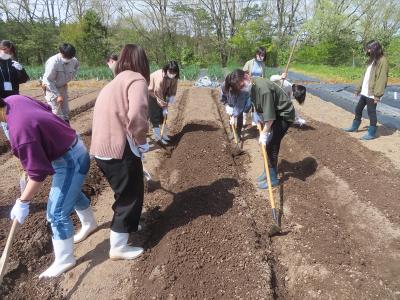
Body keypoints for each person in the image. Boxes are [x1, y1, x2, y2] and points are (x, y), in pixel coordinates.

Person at [0, 94, 95, 278]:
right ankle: (89, 223)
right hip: (72, 145)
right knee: (70, 194)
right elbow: (46, 110)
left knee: (56, 213)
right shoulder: (14, 99)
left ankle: (65, 259)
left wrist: (22, 202)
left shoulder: (20, 130)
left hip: (70, 161)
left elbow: (38, 175)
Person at [90, 44, 150, 260]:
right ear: (142, 61)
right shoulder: (136, 79)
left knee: (123, 191)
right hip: (119, 148)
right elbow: (138, 113)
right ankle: (118, 246)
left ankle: (127, 227)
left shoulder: (114, 82)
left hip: (101, 149)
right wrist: (142, 141)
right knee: (130, 195)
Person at [249, 74, 306, 189]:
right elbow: (272, 80)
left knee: (271, 145)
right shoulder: (257, 85)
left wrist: (264, 133)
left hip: (284, 117)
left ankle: (273, 179)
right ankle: (267, 173)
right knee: (270, 145)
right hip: (277, 113)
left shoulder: (262, 86)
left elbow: (287, 107)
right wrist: (255, 113)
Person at [343, 40, 389, 140]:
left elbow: (382, 79)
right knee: (358, 109)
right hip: (365, 91)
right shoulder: (372, 59)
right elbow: (365, 76)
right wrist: (358, 89)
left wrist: (377, 95)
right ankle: (354, 127)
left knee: (371, 112)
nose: (368, 51)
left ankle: (371, 133)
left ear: (375, 48)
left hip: (372, 93)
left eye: (369, 49)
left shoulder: (382, 61)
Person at [42, 43, 79, 123]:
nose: (69, 58)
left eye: (70, 57)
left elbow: (75, 69)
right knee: (56, 113)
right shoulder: (53, 62)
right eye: (67, 56)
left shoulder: (74, 61)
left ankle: (67, 130)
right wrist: (57, 95)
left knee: (65, 111)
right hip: (51, 88)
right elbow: (49, 80)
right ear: (61, 53)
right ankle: (58, 132)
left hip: (63, 87)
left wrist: (67, 80)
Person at [0, 40, 29, 139]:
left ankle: (18, 140)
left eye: (9, 52)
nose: (7, 53)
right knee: (6, 124)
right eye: (4, 50)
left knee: (16, 121)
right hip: (1, 100)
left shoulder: (12, 63)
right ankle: (13, 143)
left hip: (14, 98)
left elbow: (24, 79)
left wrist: (21, 70)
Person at [148, 61, 179, 144]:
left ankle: (164, 134)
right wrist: (164, 106)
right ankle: (158, 136)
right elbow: (157, 92)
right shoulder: (160, 77)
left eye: (174, 72)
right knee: (155, 115)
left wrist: (171, 96)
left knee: (163, 115)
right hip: (151, 93)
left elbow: (173, 88)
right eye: (170, 71)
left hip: (162, 93)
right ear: (166, 70)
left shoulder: (174, 77)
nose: (172, 74)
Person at [221, 70, 252, 141]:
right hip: (230, 102)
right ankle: (232, 131)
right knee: (230, 118)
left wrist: (234, 116)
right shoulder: (224, 85)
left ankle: (238, 133)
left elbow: (239, 106)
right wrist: (226, 105)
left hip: (239, 103)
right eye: (238, 85)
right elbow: (223, 96)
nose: (240, 86)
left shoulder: (244, 89)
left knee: (239, 115)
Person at [242, 47, 267, 126]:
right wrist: (249, 79)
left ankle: (254, 119)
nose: (262, 57)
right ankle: (244, 117)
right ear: (257, 54)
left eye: (263, 55)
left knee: (256, 103)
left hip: (258, 85)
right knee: (248, 103)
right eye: (261, 55)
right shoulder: (249, 63)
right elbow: (244, 73)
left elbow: (263, 75)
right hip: (249, 85)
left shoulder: (262, 64)